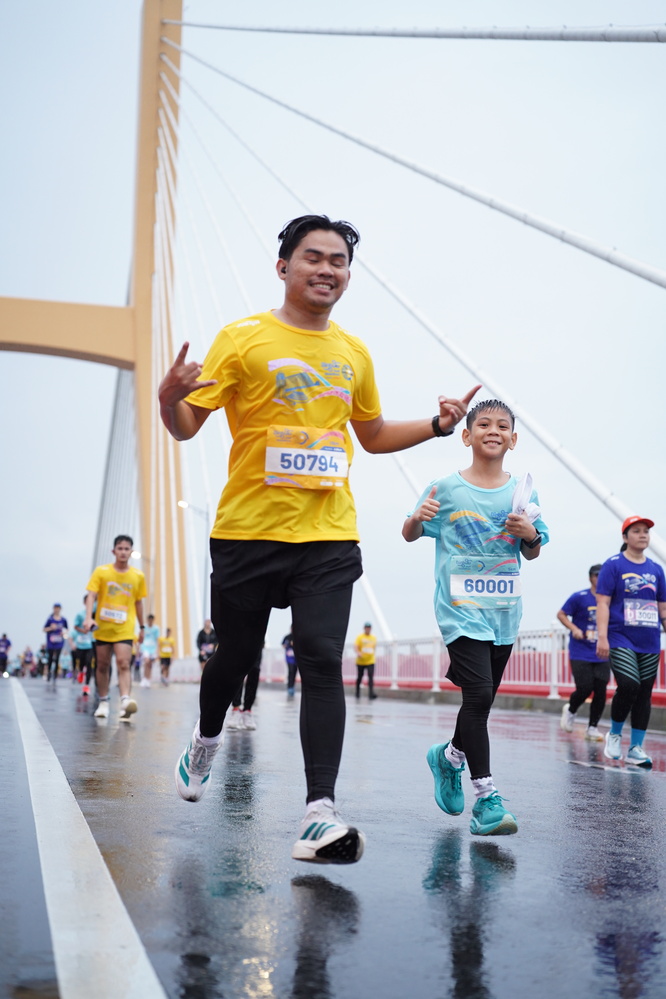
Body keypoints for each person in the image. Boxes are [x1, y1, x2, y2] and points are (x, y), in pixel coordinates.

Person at [159, 212, 479, 865]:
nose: (327, 268)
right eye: (314, 257)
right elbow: (189, 423)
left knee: (321, 658)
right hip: (247, 531)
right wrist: (170, 397)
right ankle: (206, 739)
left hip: (327, 534)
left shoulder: (353, 353)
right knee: (234, 655)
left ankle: (319, 812)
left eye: (339, 260)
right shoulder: (242, 339)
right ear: (283, 267)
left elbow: (373, 434)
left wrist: (439, 425)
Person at [403, 399, 549, 836]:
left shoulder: (522, 491)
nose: (493, 431)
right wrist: (416, 518)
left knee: (480, 701)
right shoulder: (445, 488)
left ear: (513, 439)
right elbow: (410, 533)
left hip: (504, 612)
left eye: (502, 426)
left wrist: (530, 535)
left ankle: (448, 758)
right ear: (466, 436)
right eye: (483, 424)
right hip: (459, 610)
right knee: (480, 695)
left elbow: (533, 550)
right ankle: (487, 798)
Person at [596, 516, 666, 768]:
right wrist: (602, 637)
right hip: (620, 637)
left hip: (649, 639)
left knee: (644, 692)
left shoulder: (656, 569)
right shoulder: (613, 565)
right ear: (625, 537)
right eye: (636, 531)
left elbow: (663, 608)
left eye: (646, 531)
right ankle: (614, 734)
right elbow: (603, 603)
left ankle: (636, 748)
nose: (643, 535)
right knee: (629, 684)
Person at [83, 534, 146, 721]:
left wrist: (142, 627)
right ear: (113, 551)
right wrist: (88, 618)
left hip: (125, 627)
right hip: (102, 627)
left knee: (123, 662)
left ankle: (125, 701)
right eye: (120, 548)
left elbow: (139, 603)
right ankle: (103, 702)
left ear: (131, 552)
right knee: (102, 665)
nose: (123, 552)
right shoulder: (101, 572)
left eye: (127, 549)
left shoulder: (137, 576)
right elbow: (91, 595)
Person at [558, 565, 610, 741]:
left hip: (602, 650)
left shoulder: (611, 598)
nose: (599, 578)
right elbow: (561, 614)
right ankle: (571, 710)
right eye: (596, 575)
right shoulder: (579, 597)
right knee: (585, 687)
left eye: (603, 575)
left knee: (601, 690)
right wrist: (574, 628)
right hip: (580, 650)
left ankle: (593, 727)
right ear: (590, 578)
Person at [227, 650, 262, 731]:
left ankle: (247, 710)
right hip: (238, 643)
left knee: (254, 670)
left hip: (256, 643)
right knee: (237, 668)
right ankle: (236, 709)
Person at [71, 595, 95, 696]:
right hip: (81, 643)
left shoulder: (95, 614)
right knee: (81, 662)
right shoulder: (80, 614)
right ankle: (80, 671)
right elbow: (75, 626)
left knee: (89, 663)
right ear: (85, 602)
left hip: (90, 643)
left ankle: (86, 685)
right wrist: (83, 631)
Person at [43, 603, 68, 681]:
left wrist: (63, 633)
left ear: (60, 609)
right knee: (50, 658)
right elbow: (44, 629)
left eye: (58, 608)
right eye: (55, 608)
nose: (56, 609)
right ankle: (49, 673)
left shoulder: (63, 620)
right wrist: (51, 628)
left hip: (59, 642)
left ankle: (55, 674)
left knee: (57, 658)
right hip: (51, 642)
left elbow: (67, 629)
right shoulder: (50, 619)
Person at [354, 622, 378, 699]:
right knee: (360, 677)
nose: (368, 629)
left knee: (370, 677)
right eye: (366, 628)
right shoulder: (360, 637)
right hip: (361, 661)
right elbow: (356, 646)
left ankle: (371, 694)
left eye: (369, 628)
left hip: (370, 660)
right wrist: (358, 653)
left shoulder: (373, 638)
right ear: (364, 628)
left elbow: (374, 648)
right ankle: (357, 693)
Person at [140, 614, 160, 688]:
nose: (150, 621)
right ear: (147, 619)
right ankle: (144, 678)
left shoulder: (156, 628)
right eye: (149, 619)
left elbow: (157, 639)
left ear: (153, 620)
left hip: (153, 648)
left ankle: (148, 679)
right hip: (145, 648)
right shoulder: (144, 627)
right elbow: (141, 637)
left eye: (151, 620)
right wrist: (140, 647)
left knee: (150, 664)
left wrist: (158, 650)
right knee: (146, 661)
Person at [282, 626, 298, 697]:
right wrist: (288, 644)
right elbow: (283, 644)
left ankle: (292, 687)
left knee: (294, 672)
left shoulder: (298, 636)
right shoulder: (287, 637)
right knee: (290, 671)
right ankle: (289, 687)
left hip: (296, 659)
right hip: (289, 658)